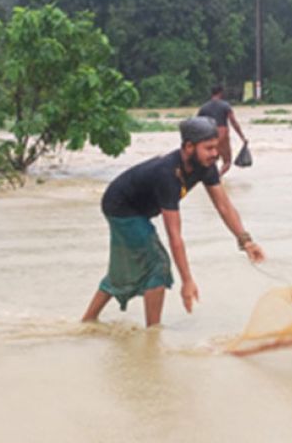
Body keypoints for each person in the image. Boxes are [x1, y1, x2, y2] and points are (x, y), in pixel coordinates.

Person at [81, 116, 265, 327]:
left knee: (122, 271)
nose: (216, 154)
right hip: (122, 208)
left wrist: (245, 240)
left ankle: (87, 322)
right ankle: (153, 333)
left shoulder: (206, 166)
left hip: (135, 208)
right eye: (209, 148)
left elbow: (224, 205)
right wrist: (187, 281)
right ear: (189, 147)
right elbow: (174, 235)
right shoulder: (168, 174)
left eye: (217, 147)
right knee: (158, 266)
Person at [197, 85, 248, 176]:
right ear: (220, 93)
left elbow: (198, 124)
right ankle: (218, 177)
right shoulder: (225, 105)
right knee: (227, 162)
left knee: (211, 161)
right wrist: (242, 137)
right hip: (222, 134)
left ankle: (211, 178)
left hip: (209, 136)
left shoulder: (204, 108)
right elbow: (234, 122)